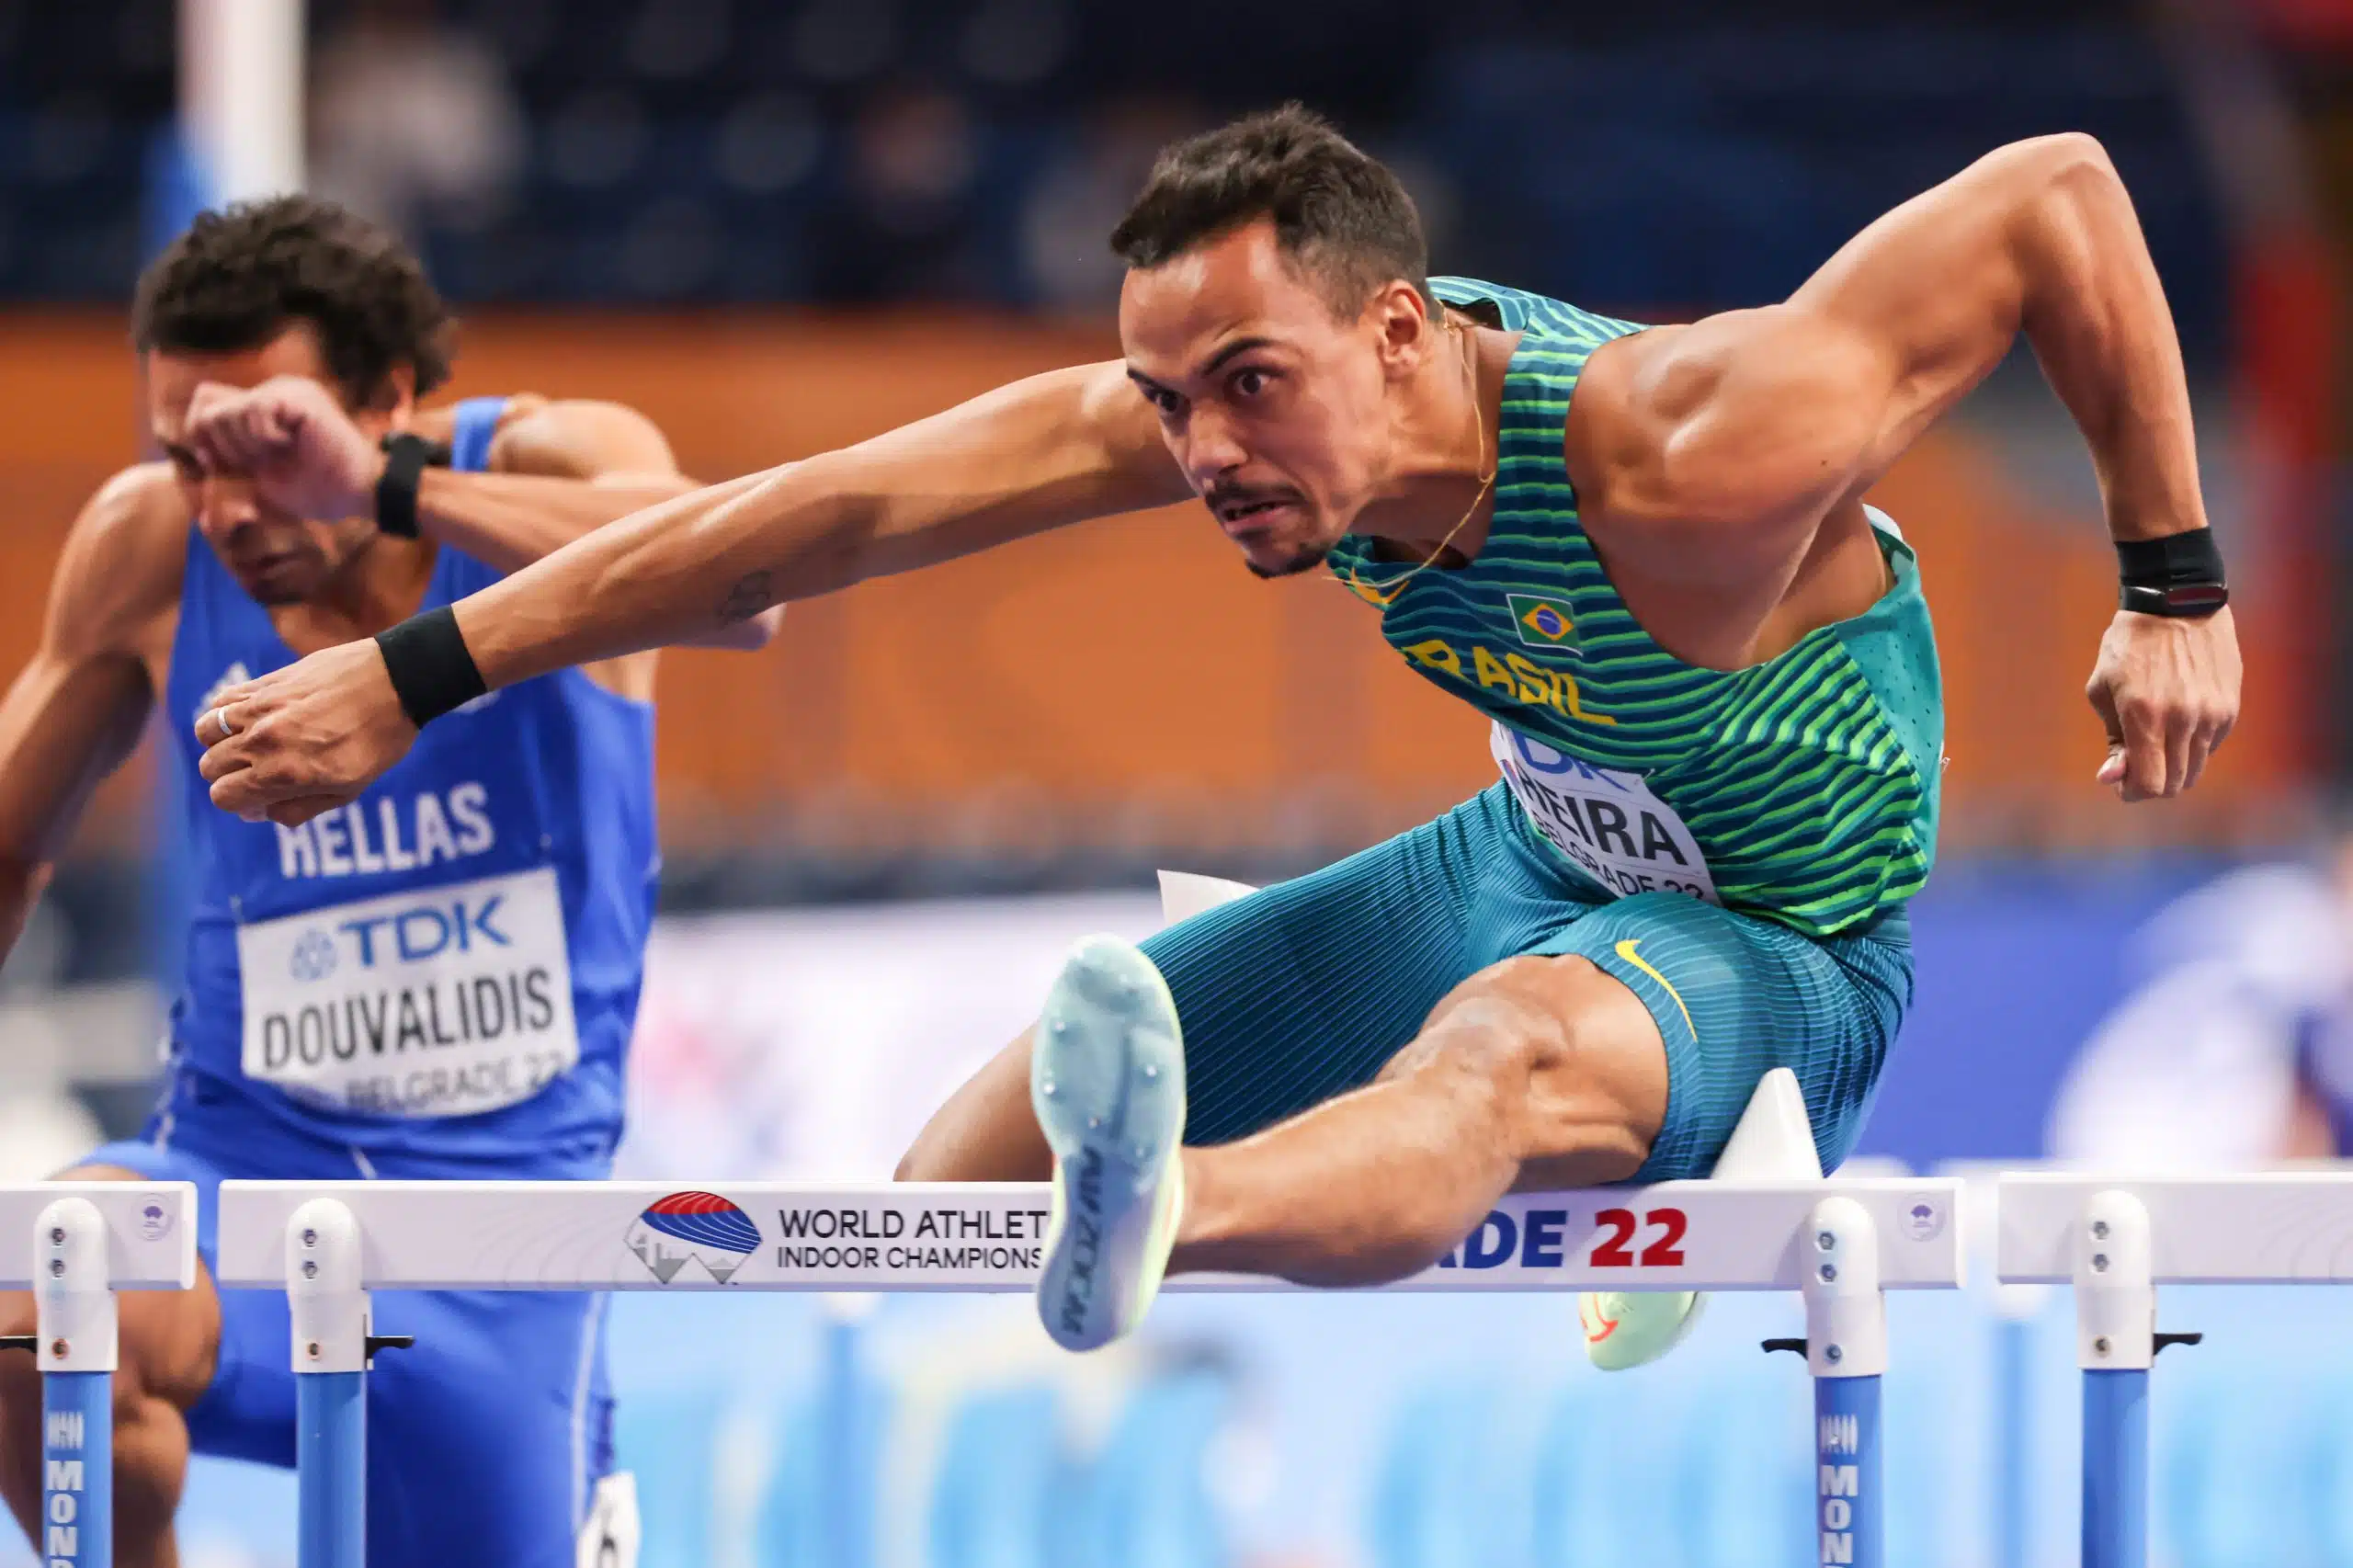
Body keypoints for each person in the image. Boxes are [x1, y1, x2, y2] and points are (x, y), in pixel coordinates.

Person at [194, 108, 2241, 1358]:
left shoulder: (1683, 451)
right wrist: (411, 670)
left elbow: (2055, 197)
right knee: (954, 1184)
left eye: (1243, 388)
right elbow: (789, 522)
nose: (1197, 454)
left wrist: (2167, 586)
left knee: (1496, 1053)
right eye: (1165, 401)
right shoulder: (1213, 414)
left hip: (1778, 947)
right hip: (1530, 854)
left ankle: (1175, 1203)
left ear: (1395, 329)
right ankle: (1132, 1200)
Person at [0, 196, 778, 1566]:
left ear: (392, 399)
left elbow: (745, 579)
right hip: (237, 1184)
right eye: (191, 459)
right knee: (31, 1300)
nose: (228, 508)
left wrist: (385, 488)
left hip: (505, 1252)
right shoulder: (144, 547)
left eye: (269, 450)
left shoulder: (557, 459)